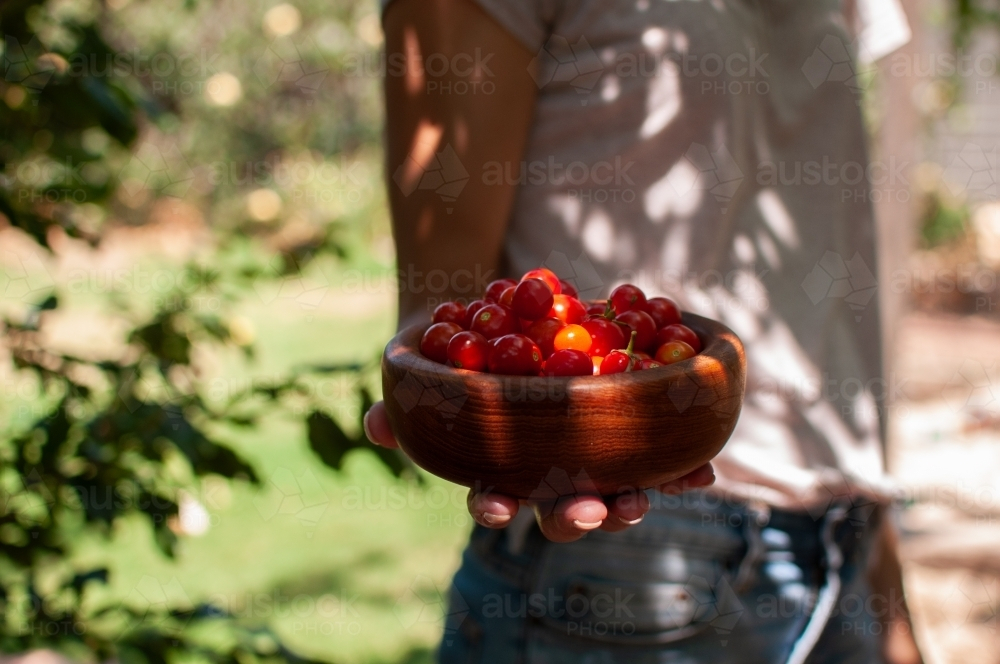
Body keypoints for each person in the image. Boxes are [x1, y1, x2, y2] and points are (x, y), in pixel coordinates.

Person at [363, 0, 925, 661]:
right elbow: (451, 313)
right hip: (630, 558)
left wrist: (882, 565)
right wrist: (481, 424)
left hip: (843, 535)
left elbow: (825, 257)